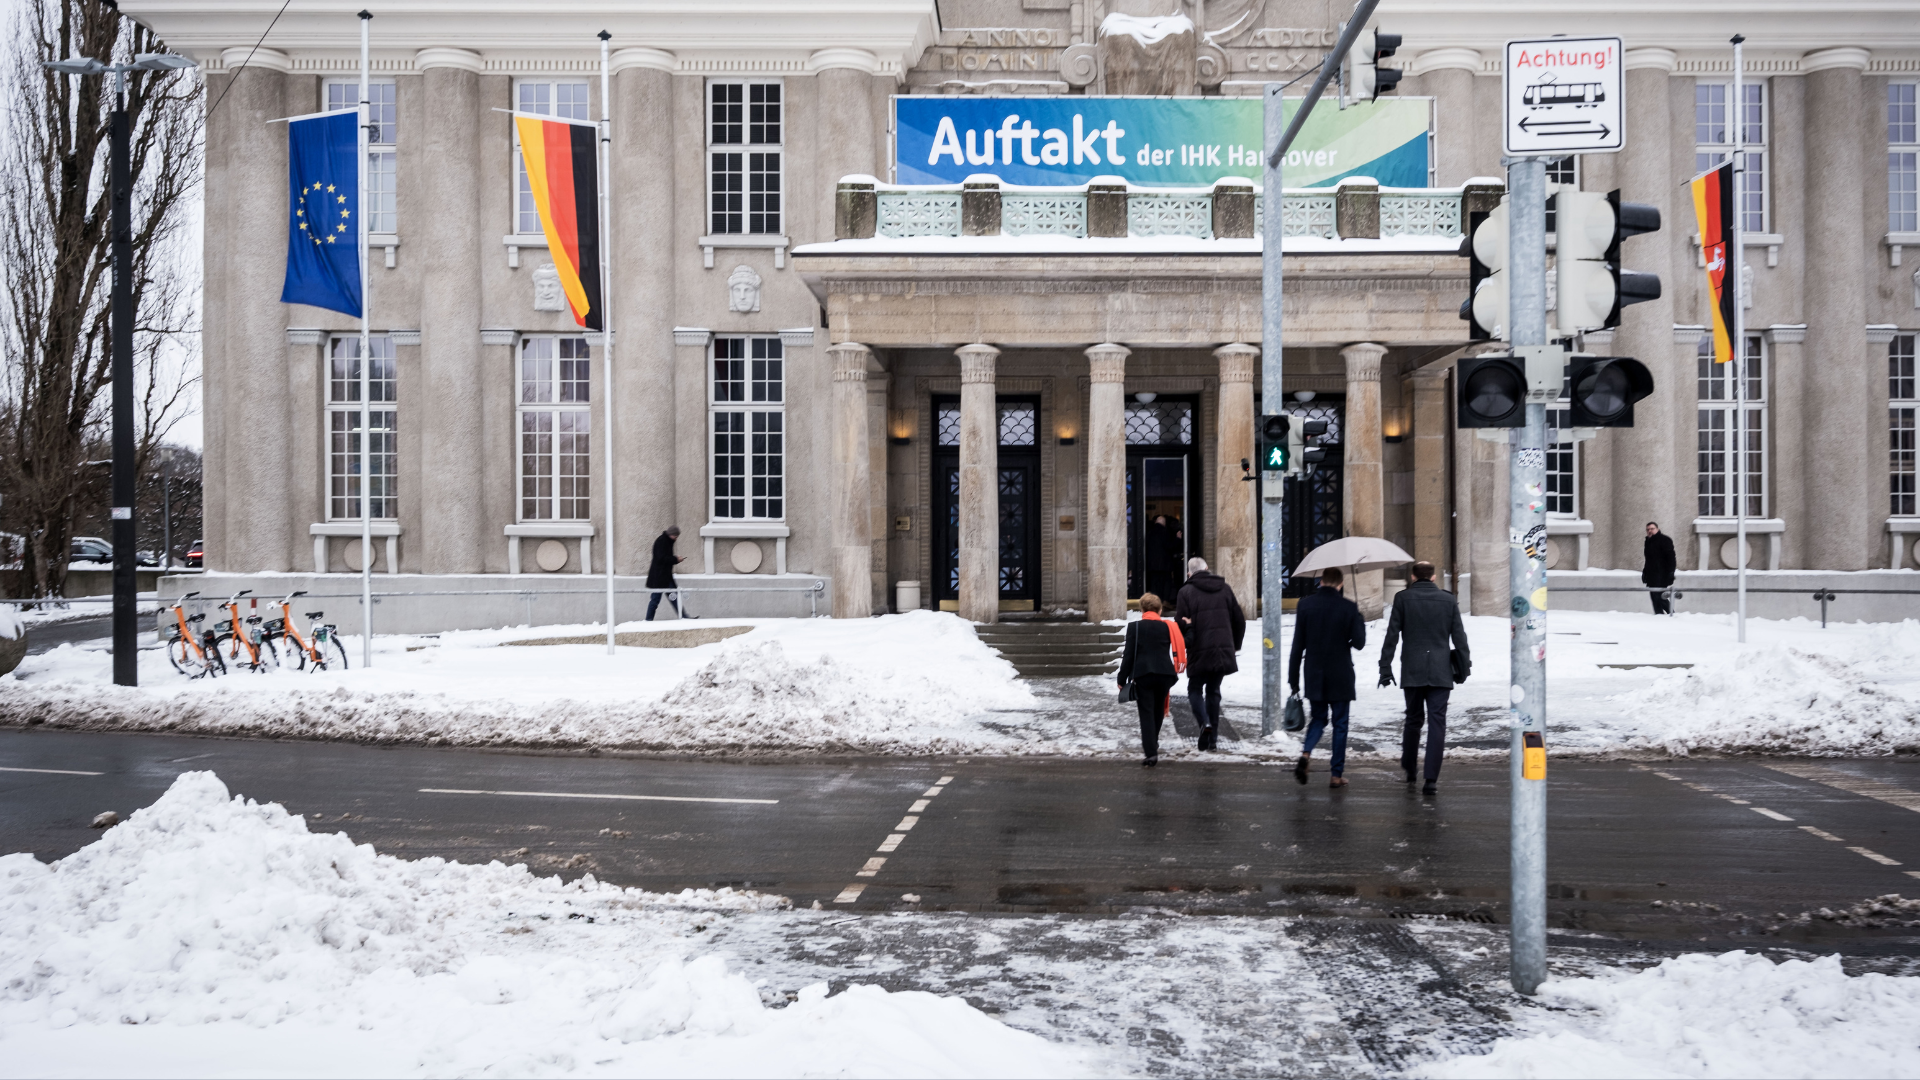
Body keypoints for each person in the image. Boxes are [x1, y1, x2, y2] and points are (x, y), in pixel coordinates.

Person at [1378, 560, 1469, 796]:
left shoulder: (1402, 599)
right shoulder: (1448, 600)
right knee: (1437, 722)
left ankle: (1410, 768)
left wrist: (1385, 667)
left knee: (1413, 719)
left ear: (1413, 576)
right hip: (1441, 670)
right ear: (1434, 577)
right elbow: (1460, 637)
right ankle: (1431, 779)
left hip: (1412, 668)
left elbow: (1392, 635)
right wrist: (1464, 666)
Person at [1287, 566, 1366, 788]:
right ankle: (1336, 775)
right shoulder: (1348, 607)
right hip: (1340, 673)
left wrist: (1293, 680)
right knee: (1340, 724)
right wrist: (1357, 618)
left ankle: (1305, 754)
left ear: (1321, 582)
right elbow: (1359, 643)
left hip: (1314, 673)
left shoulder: (1305, 605)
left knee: (1318, 719)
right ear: (1340, 584)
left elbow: (1297, 646)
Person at [1174, 556, 1245, 751]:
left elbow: (1180, 623)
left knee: (1195, 689)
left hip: (1199, 649)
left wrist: (1185, 632)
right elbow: (1240, 620)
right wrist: (1235, 645)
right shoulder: (1225, 589)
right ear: (1207, 568)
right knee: (1213, 691)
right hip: (1222, 649)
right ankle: (1212, 738)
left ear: (1190, 574)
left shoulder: (1185, 592)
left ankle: (1204, 723)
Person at [1117, 592, 1186, 767]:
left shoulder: (1135, 627)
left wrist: (1121, 678)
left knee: (1146, 713)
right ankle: (1152, 742)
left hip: (1143, 674)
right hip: (1165, 675)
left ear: (1142, 609)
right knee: (1157, 711)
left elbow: (1128, 656)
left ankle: (1151, 753)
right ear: (1159, 610)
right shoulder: (1167, 627)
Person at [645, 526, 694, 621]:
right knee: (655, 600)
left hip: (665, 577)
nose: (676, 539)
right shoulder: (662, 541)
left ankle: (684, 616)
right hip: (659, 578)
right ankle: (648, 620)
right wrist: (675, 559)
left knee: (674, 597)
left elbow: (664, 558)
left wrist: (675, 559)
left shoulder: (666, 541)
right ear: (671, 534)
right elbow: (661, 558)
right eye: (675, 536)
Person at [1643, 521, 1677, 616]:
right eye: (1648, 529)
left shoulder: (1664, 540)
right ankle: (1659, 615)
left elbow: (1671, 557)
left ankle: (1671, 614)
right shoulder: (1648, 542)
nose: (1650, 531)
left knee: (1660, 596)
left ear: (1657, 529)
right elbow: (1649, 560)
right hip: (1651, 575)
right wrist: (1645, 572)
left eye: (1652, 529)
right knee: (1654, 596)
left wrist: (1671, 572)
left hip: (1662, 574)